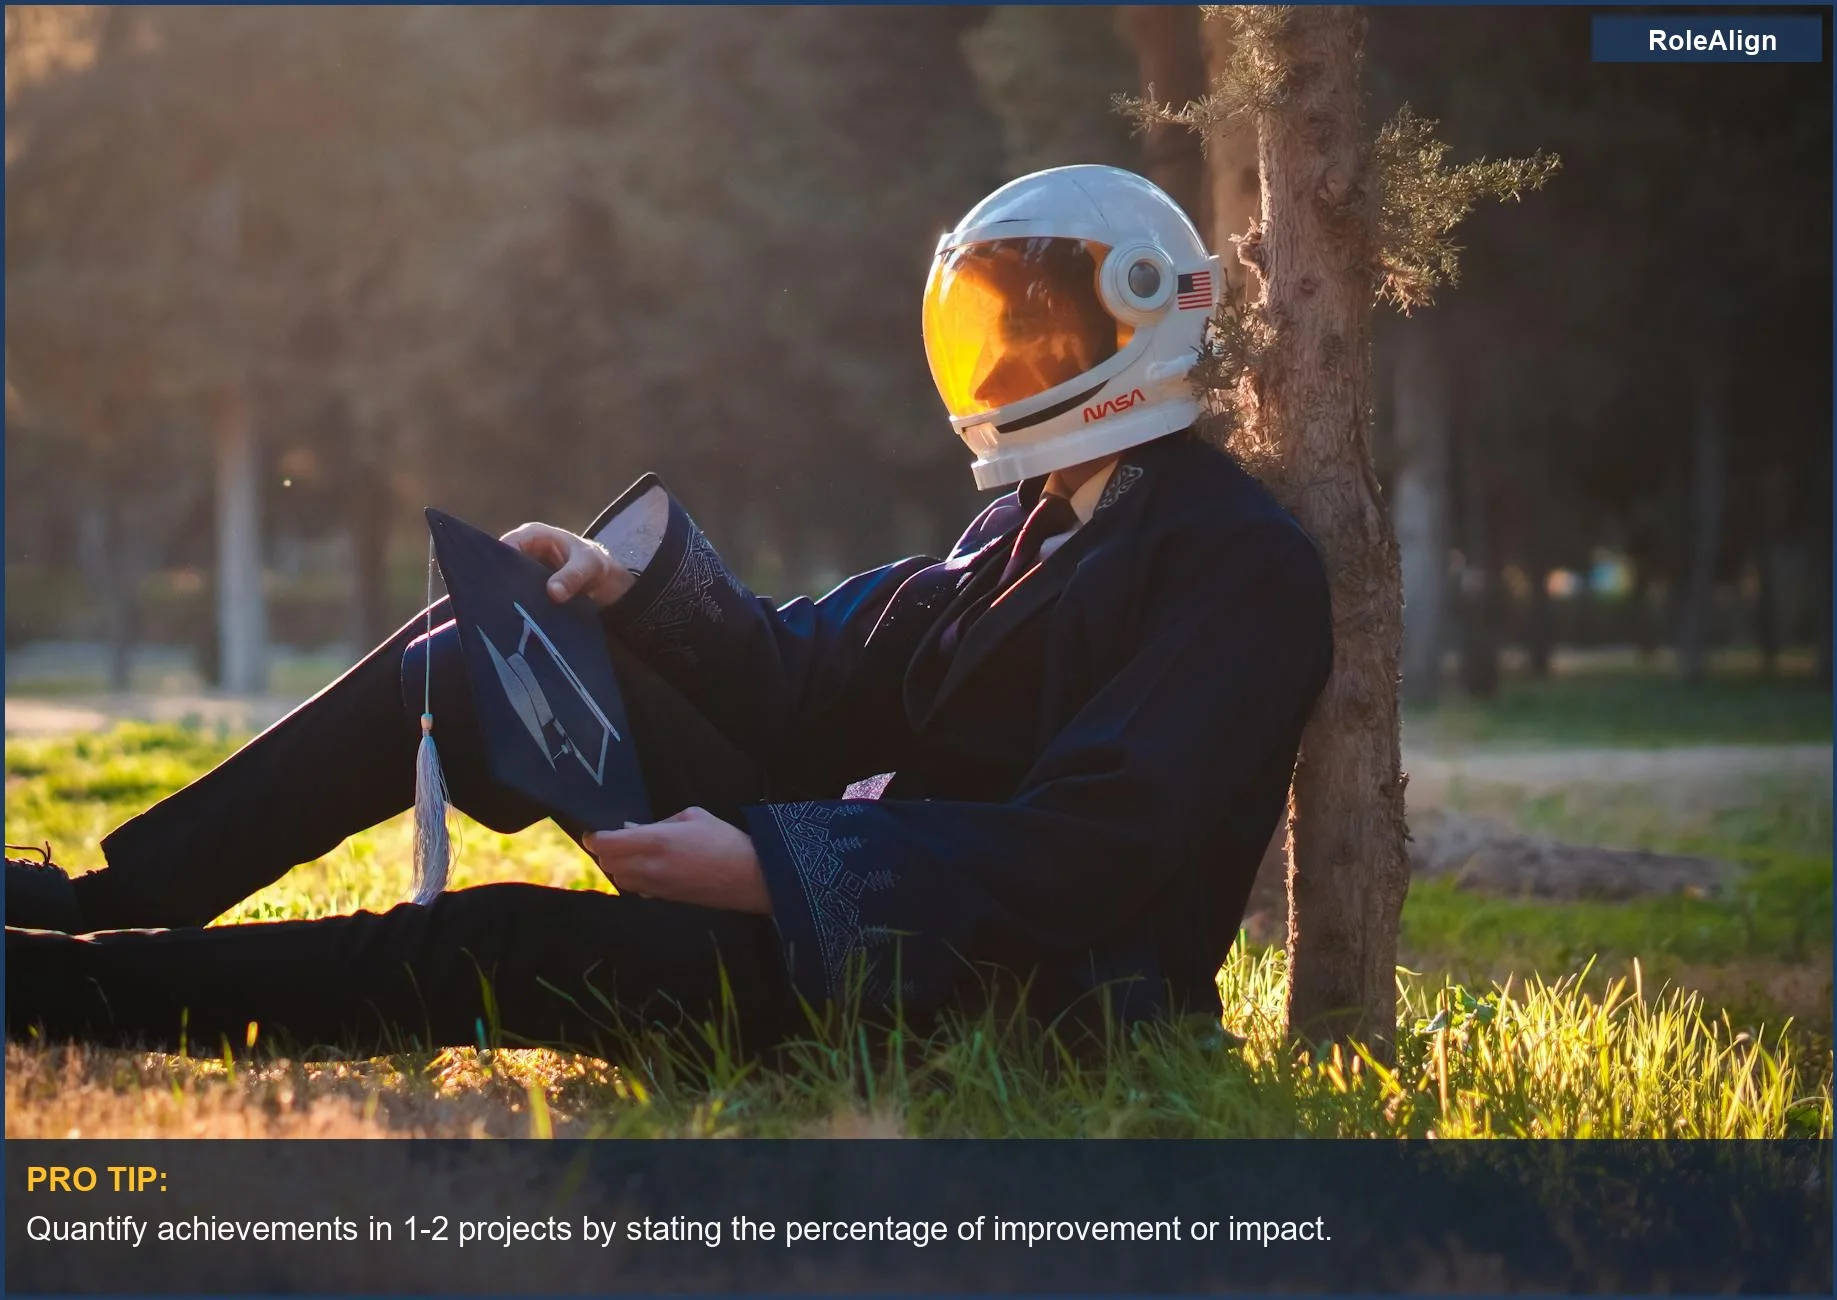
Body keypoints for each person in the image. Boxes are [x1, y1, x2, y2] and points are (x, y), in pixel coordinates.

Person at [6, 166, 1332, 1057]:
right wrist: (614, 589)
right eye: (991, 329)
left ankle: (54, 993)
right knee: (482, 657)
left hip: (990, 999)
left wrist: (770, 873)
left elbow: (1088, 857)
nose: (1002, 362)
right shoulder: (1031, 514)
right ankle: (94, 905)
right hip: (859, 899)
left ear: (1144, 320)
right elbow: (816, 682)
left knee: (500, 943)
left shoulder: (1238, 564)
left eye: (1034, 331)